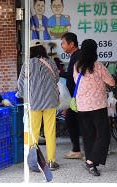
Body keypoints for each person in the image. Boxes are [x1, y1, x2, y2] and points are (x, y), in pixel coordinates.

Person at [74, 38, 116, 176]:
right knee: (103, 135)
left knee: (88, 135)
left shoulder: (76, 66)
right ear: (94, 50)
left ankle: (90, 163)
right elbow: (111, 82)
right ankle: (91, 161)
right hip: (98, 105)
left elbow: (76, 82)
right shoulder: (98, 66)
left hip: (82, 106)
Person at [18, 41, 61, 171]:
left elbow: (20, 84)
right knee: (50, 131)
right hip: (50, 101)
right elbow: (57, 78)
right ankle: (51, 161)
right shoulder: (51, 62)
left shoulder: (27, 64)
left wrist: (23, 95)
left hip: (34, 102)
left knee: (33, 132)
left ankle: (34, 162)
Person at [60, 32, 83, 159]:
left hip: (77, 95)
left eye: (63, 43)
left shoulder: (77, 56)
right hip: (75, 95)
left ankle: (77, 150)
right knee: (74, 121)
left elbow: (73, 76)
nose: (62, 46)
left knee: (72, 121)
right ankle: (77, 149)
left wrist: (59, 73)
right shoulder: (75, 55)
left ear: (71, 43)